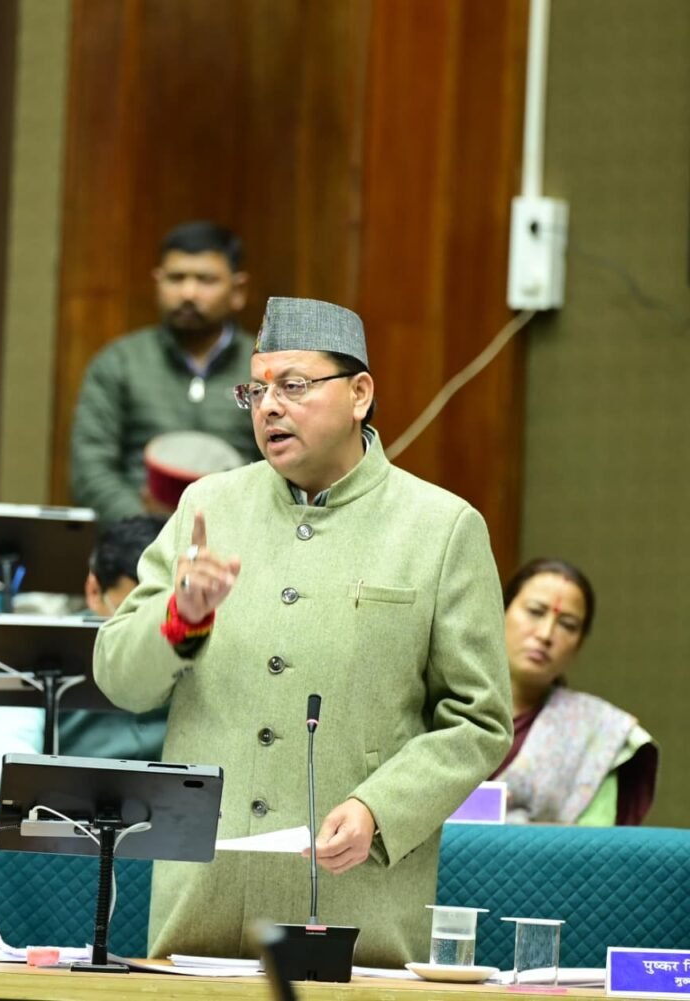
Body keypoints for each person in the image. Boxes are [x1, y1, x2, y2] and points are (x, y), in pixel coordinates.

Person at [93, 297, 513, 967]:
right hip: (203, 899)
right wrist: (183, 617)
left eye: (293, 386)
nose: (269, 407)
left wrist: (380, 808)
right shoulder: (208, 506)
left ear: (359, 394)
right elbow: (119, 677)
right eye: (256, 391)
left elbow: (478, 720)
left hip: (356, 901)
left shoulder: (440, 527)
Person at [70, 220, 258, 522]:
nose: (188, 293)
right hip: (136, 536)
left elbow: (286, 467)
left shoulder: (263, 368)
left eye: (206, 280)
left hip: (240, 534)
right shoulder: (120, 362)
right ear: (158, 282)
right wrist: (149, 530)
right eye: (176, 278)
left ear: (238, 290)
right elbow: (91, 469)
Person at [0, 515, 168, 792]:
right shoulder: (40, 643)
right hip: (64, 801)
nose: (145, 630)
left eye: (159, 612)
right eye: (132, 611)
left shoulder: (193, 642)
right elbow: (7, 749)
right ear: (94, 591)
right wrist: (50, 792)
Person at [492, 557, 658, 825]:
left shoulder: (600, 731)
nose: (546, 634)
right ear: (499, 612)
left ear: (579, 644)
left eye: (567, 625)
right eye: (535, 611)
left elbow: (596, 842)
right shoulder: (440, 701)